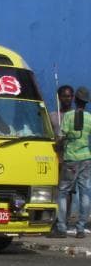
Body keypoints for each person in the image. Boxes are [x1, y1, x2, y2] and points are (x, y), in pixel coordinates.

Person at [52, 86, 91, 238]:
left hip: (70, 159)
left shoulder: (68, 117)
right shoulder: (89, 118)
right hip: (86, 158)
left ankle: (61, 227)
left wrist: (57, 145)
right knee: (85, 193)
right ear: (86, 102)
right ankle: (80, 228)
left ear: (75, 100)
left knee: (63, 192)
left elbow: (60, 136)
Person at [52, 84, 75, 228]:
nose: (67, 99)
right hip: (55, 158)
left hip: (70, 158)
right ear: (59, 98)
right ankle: (54, 219)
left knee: (68, 192)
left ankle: (63, 221)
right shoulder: (54, 116)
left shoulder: (76, 116)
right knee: (54, 190)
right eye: (64, 96)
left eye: (69, 96)